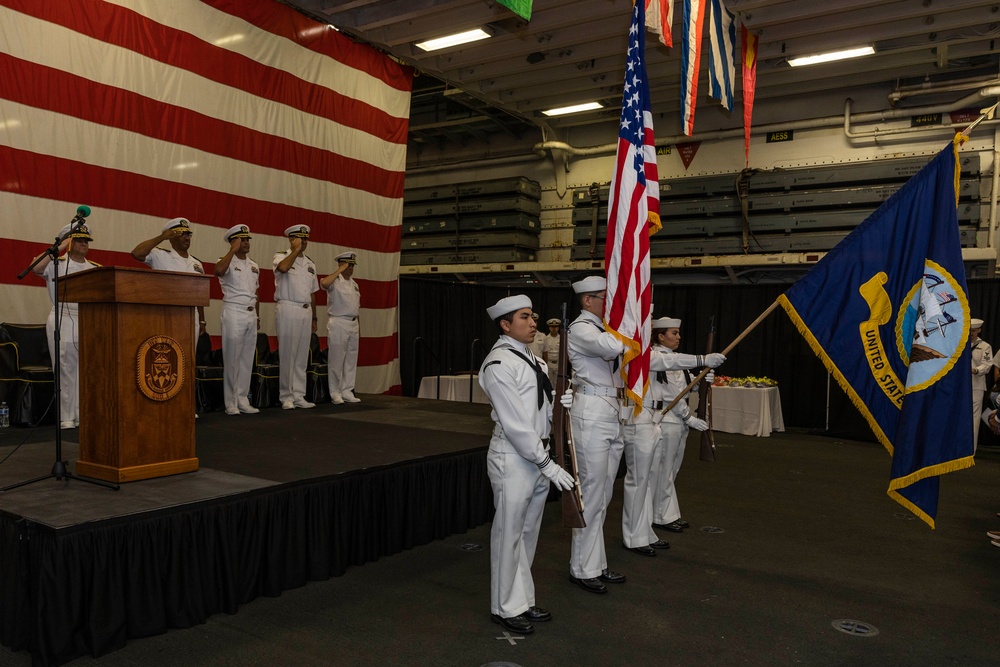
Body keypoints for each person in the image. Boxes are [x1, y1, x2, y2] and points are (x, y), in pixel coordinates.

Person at [479, 294, 574, 635]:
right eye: (524, 317)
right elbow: (516, 424)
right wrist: (547, 464)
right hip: (514, 457)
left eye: (532, 316)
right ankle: (504, 607)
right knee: (509, 534)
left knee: (528, 534)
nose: (533, 322)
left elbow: (541, 413)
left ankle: (521, 599)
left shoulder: (534, 360)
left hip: (538, 455)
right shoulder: (499, 364)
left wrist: (563, 402)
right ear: (505, 325)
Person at [566, 275, 627, 594]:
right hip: (590, 410)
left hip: (611, 409)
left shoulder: (604, 327)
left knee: (603, 494)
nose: (611, 303)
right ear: (587, 301)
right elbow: (611, 348)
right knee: (591, 492)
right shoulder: (580, 329)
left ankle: (595, 562)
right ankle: (582, 567)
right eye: (605, 298)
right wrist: (633, 318)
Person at [648, 317, 725, 534]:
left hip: (676, 422)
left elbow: (686, 386)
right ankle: (660, 516)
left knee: (671, 470)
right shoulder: (660, 359)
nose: (678, 337)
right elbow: (671, 394)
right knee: (663, 471)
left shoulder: (674, 359)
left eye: (678, 333)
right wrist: (688, 418)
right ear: (661, 336)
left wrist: (702, 380)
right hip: (667, 420)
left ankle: (666, 513)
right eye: (673, 333)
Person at [31, 222, 99, 429]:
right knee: (64, 367)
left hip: (87, 318)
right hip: (62, 316)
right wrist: (59, 246)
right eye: (78, 240)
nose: (84, 244)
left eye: (86, 240)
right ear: (69, 242)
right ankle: (65, 416)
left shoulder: (95, 268)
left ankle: (81, 413)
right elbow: (35, 268)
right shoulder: (55, 263)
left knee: (86, 368)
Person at [130, 217, 207, 343]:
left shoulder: (197, 264)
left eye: (188, 235)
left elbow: (200, 294)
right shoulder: (160, 255)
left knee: (189, 357)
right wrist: (161, 237)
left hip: (192, 315)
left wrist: (202, 320)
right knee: (168, 355)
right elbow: (136, 253)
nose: (187, 238)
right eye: (182, 234)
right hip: (168, 314)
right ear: (171, 237)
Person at [214, 225, 260, 415]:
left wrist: (257, 316)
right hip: (234, 311)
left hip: (250, 313)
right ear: (234, 241)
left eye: (248, 239)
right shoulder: (225, 261)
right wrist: (231, 251)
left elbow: (255, 293)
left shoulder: (254, 265)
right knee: (232, 358)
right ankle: (230, 403)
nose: (247, 243)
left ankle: (242, 399)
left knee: (246, 359)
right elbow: (218, 271)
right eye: (242, 240)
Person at [273, 225, 319, 410]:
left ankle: (299, 394)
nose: (304, 242)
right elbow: (283, 268)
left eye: (306, 239)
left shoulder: (310, 263)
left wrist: (315, 318)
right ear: (291, 240)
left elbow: (313, 293)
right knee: (288, 354)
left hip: (305, 310)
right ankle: (286, 396)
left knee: (301, 355)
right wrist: (295, 251)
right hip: (288, 307)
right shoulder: (280, 257)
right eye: (300, 239)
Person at [320, 251, 361, 404]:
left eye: (352, 266)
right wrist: (339, 270)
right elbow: (324, 284)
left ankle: (347, 390)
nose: (350, 269)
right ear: (341, 265)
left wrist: (359, 328)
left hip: (353, 323)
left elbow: (356, 308)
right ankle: (335, 392)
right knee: (336, 359)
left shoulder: (354, 284)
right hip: (338, 322)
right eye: (348, 265)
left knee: (351, 359)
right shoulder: (334, 281)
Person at [970, 318, 992, 448]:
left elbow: (988, 365)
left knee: (974, 418)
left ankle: (970, 448)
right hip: (959, 386)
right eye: (969, 331)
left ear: (979, 330)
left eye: (973, 331)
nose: (971, 333)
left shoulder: (985, 346)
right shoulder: (961, 344)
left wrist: (976, 370)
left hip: (976, 386)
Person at [541, 317, 561, 387]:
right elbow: (544, 352)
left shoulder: (562, 339)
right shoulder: (545, 338)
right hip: (548, 363)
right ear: (549, 328)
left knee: (557, 383)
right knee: (548, 382)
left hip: (558, 364)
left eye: (556, 327)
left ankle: (556, 397)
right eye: (552, 327)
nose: (554, 328)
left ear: (558, 328)